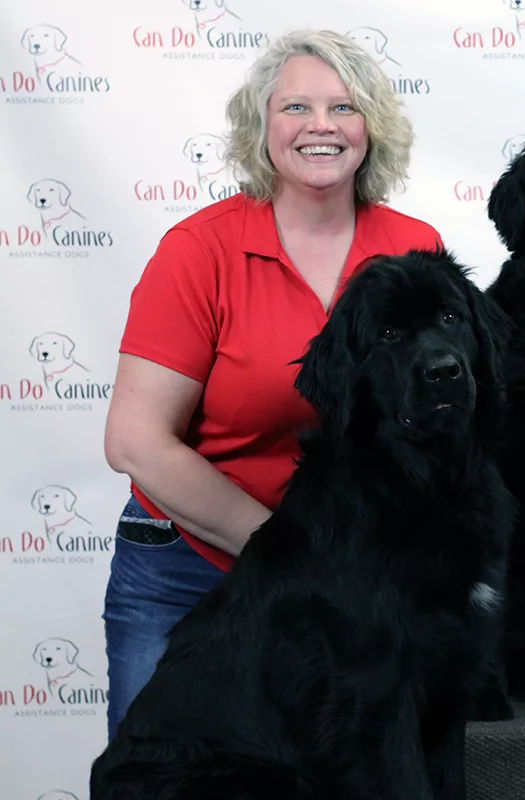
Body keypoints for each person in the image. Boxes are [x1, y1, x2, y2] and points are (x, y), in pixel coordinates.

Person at [101, 28, 443, 739]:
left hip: (361, 574)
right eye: (295, 108)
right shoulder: (198, 252)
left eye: (343, 108)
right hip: (188, 570)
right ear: (259, 129)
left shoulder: (415, 249)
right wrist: (285, 547)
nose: (320, 127)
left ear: (371, 128)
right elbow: (135, 442)